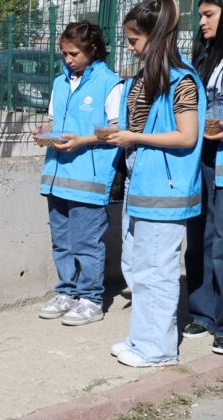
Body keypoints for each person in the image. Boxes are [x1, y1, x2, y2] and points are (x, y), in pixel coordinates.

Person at [106, 0, 206, 367]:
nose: (130, 46)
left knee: (158, 270)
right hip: (140, 183)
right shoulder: (142, 77)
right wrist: (124, 134)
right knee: (138, 267)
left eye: (135, 39)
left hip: (166, 189)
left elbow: (186, 136)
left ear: (156, 36)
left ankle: (159, 350)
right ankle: (142, 338)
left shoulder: (182, 80)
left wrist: (134, 136)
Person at [31, 21, 123, 326]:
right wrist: (43, 132)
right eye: (64, 53)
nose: (68, 59)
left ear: (92, 50)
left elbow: (117, 130)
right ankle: (67, 292)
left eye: (73, 53)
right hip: (57, 176)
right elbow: (55, 121)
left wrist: (84, 140)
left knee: (87, 241)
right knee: (61, 241)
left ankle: (91, 299)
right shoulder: (60, 82)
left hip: (89, 179)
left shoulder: (111, 84)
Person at [184, 0, 223, 355]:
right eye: (199, 15)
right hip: (202, 156)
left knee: (222, 238)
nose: (201, 22)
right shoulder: (202, 55)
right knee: (199, 233)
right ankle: (202, 311)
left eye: (208, 15)